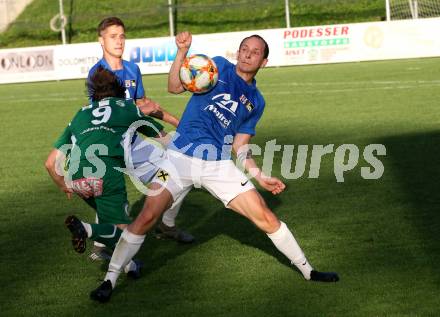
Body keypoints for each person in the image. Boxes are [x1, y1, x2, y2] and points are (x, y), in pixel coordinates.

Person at [90, 32, 339, 303]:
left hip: (218, 165)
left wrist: (259, 175)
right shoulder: (216, 65)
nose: (247, 54)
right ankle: (110, 280)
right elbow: (174, 87)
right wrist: (182, 52)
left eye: (254, 52)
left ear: (263, 62)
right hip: (176, 158)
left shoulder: (257, 101)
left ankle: (308, 271)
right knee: (147, 218)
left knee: (265, 217)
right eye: (244, 48)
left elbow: (241, 144)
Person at [45, 66, 169, 277]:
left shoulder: (80, 114)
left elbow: (50, 163)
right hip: (106, 173)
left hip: (76, 177)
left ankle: (131, 267)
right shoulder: (127, 108)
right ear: (120, 90)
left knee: (112, 221)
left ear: (93, 93)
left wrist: (64, 186)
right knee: (129, 231)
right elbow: (163, 138)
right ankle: (86, 229)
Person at [88, 17, 194, 261]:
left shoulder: (132, 69)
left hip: (134, 143)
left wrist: (175, 125)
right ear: (101, 40)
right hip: (107, 145)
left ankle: (166, 225)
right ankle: (101, 244)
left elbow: (143, 107)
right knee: (107, 188)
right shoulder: (97, 74)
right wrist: (141, 111)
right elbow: (104, 116)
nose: (119, 41)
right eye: (113, 36)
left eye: (122, 36)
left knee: (177, 173)